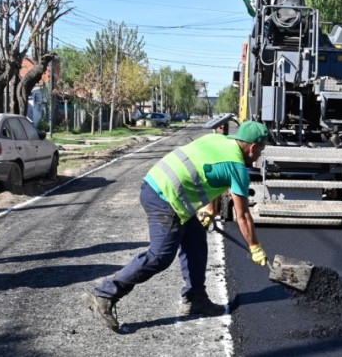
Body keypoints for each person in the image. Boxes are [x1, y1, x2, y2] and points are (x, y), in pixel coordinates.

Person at [81, 121, 271, 333]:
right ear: (253, 147)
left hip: (157, 184)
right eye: (261, 150)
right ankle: (104, 295)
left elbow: (207, 173)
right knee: (160, 256)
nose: (259, 155)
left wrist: (210, 210)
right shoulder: (237, 167)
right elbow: (243, 215)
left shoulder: (218, 140)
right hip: (165, 197)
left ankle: (195, 297)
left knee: (196, 243)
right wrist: (254, 246)